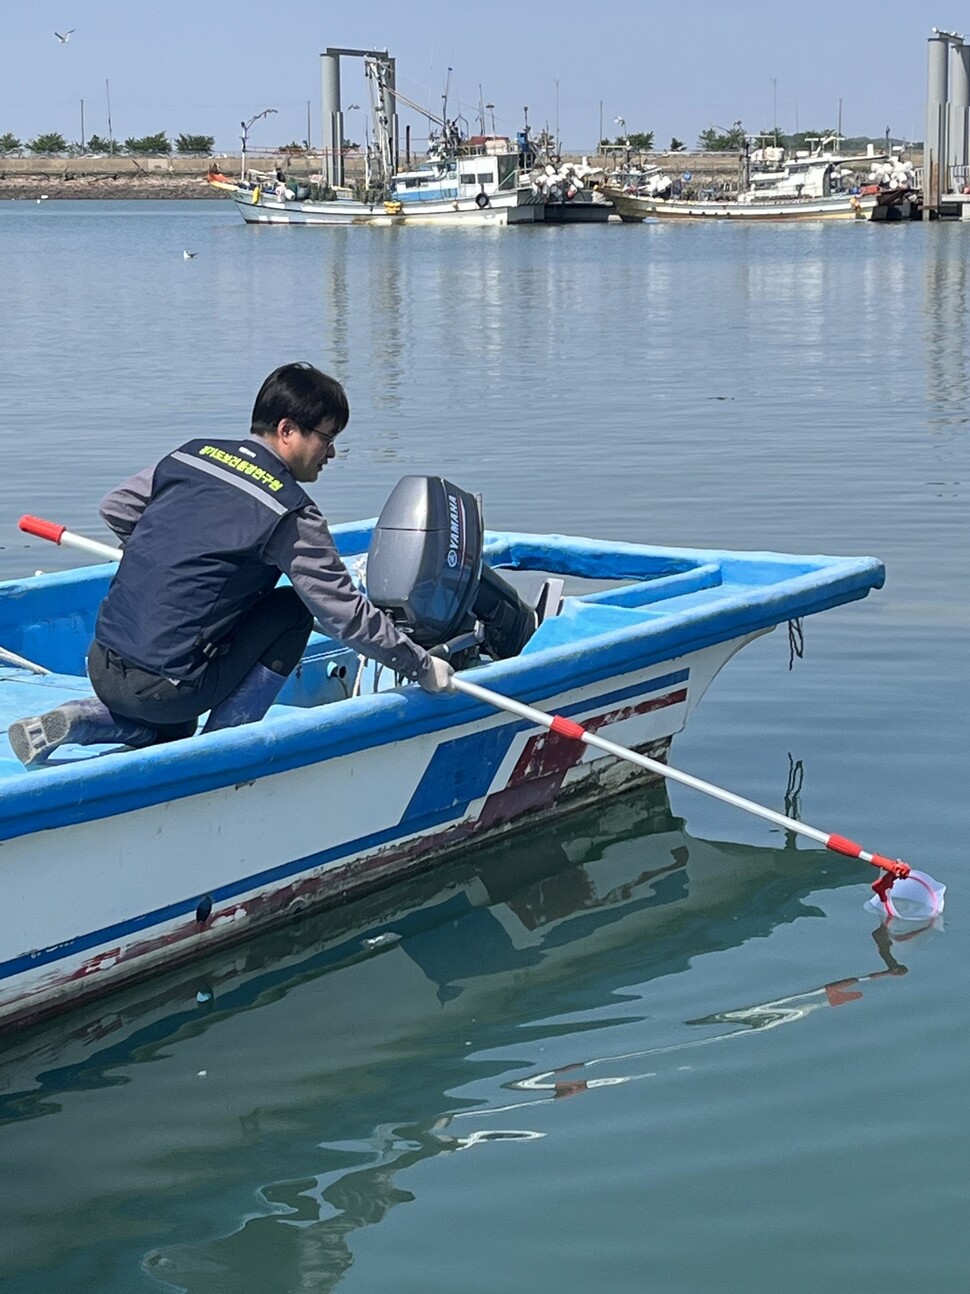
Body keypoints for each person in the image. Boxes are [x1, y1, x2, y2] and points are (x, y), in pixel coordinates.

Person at [8, 362, 453, 768]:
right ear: (287, 430)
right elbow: (342, 613)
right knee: (292, 610)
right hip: (167, 690)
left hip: (102, 662)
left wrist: (170, 553)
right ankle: (222, 747)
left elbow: (117, 508)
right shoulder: (292, 514)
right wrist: (419, 665)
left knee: (171, 725)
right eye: (327, 439)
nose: (331, 454)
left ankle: (84, 719)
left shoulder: (191, 455)